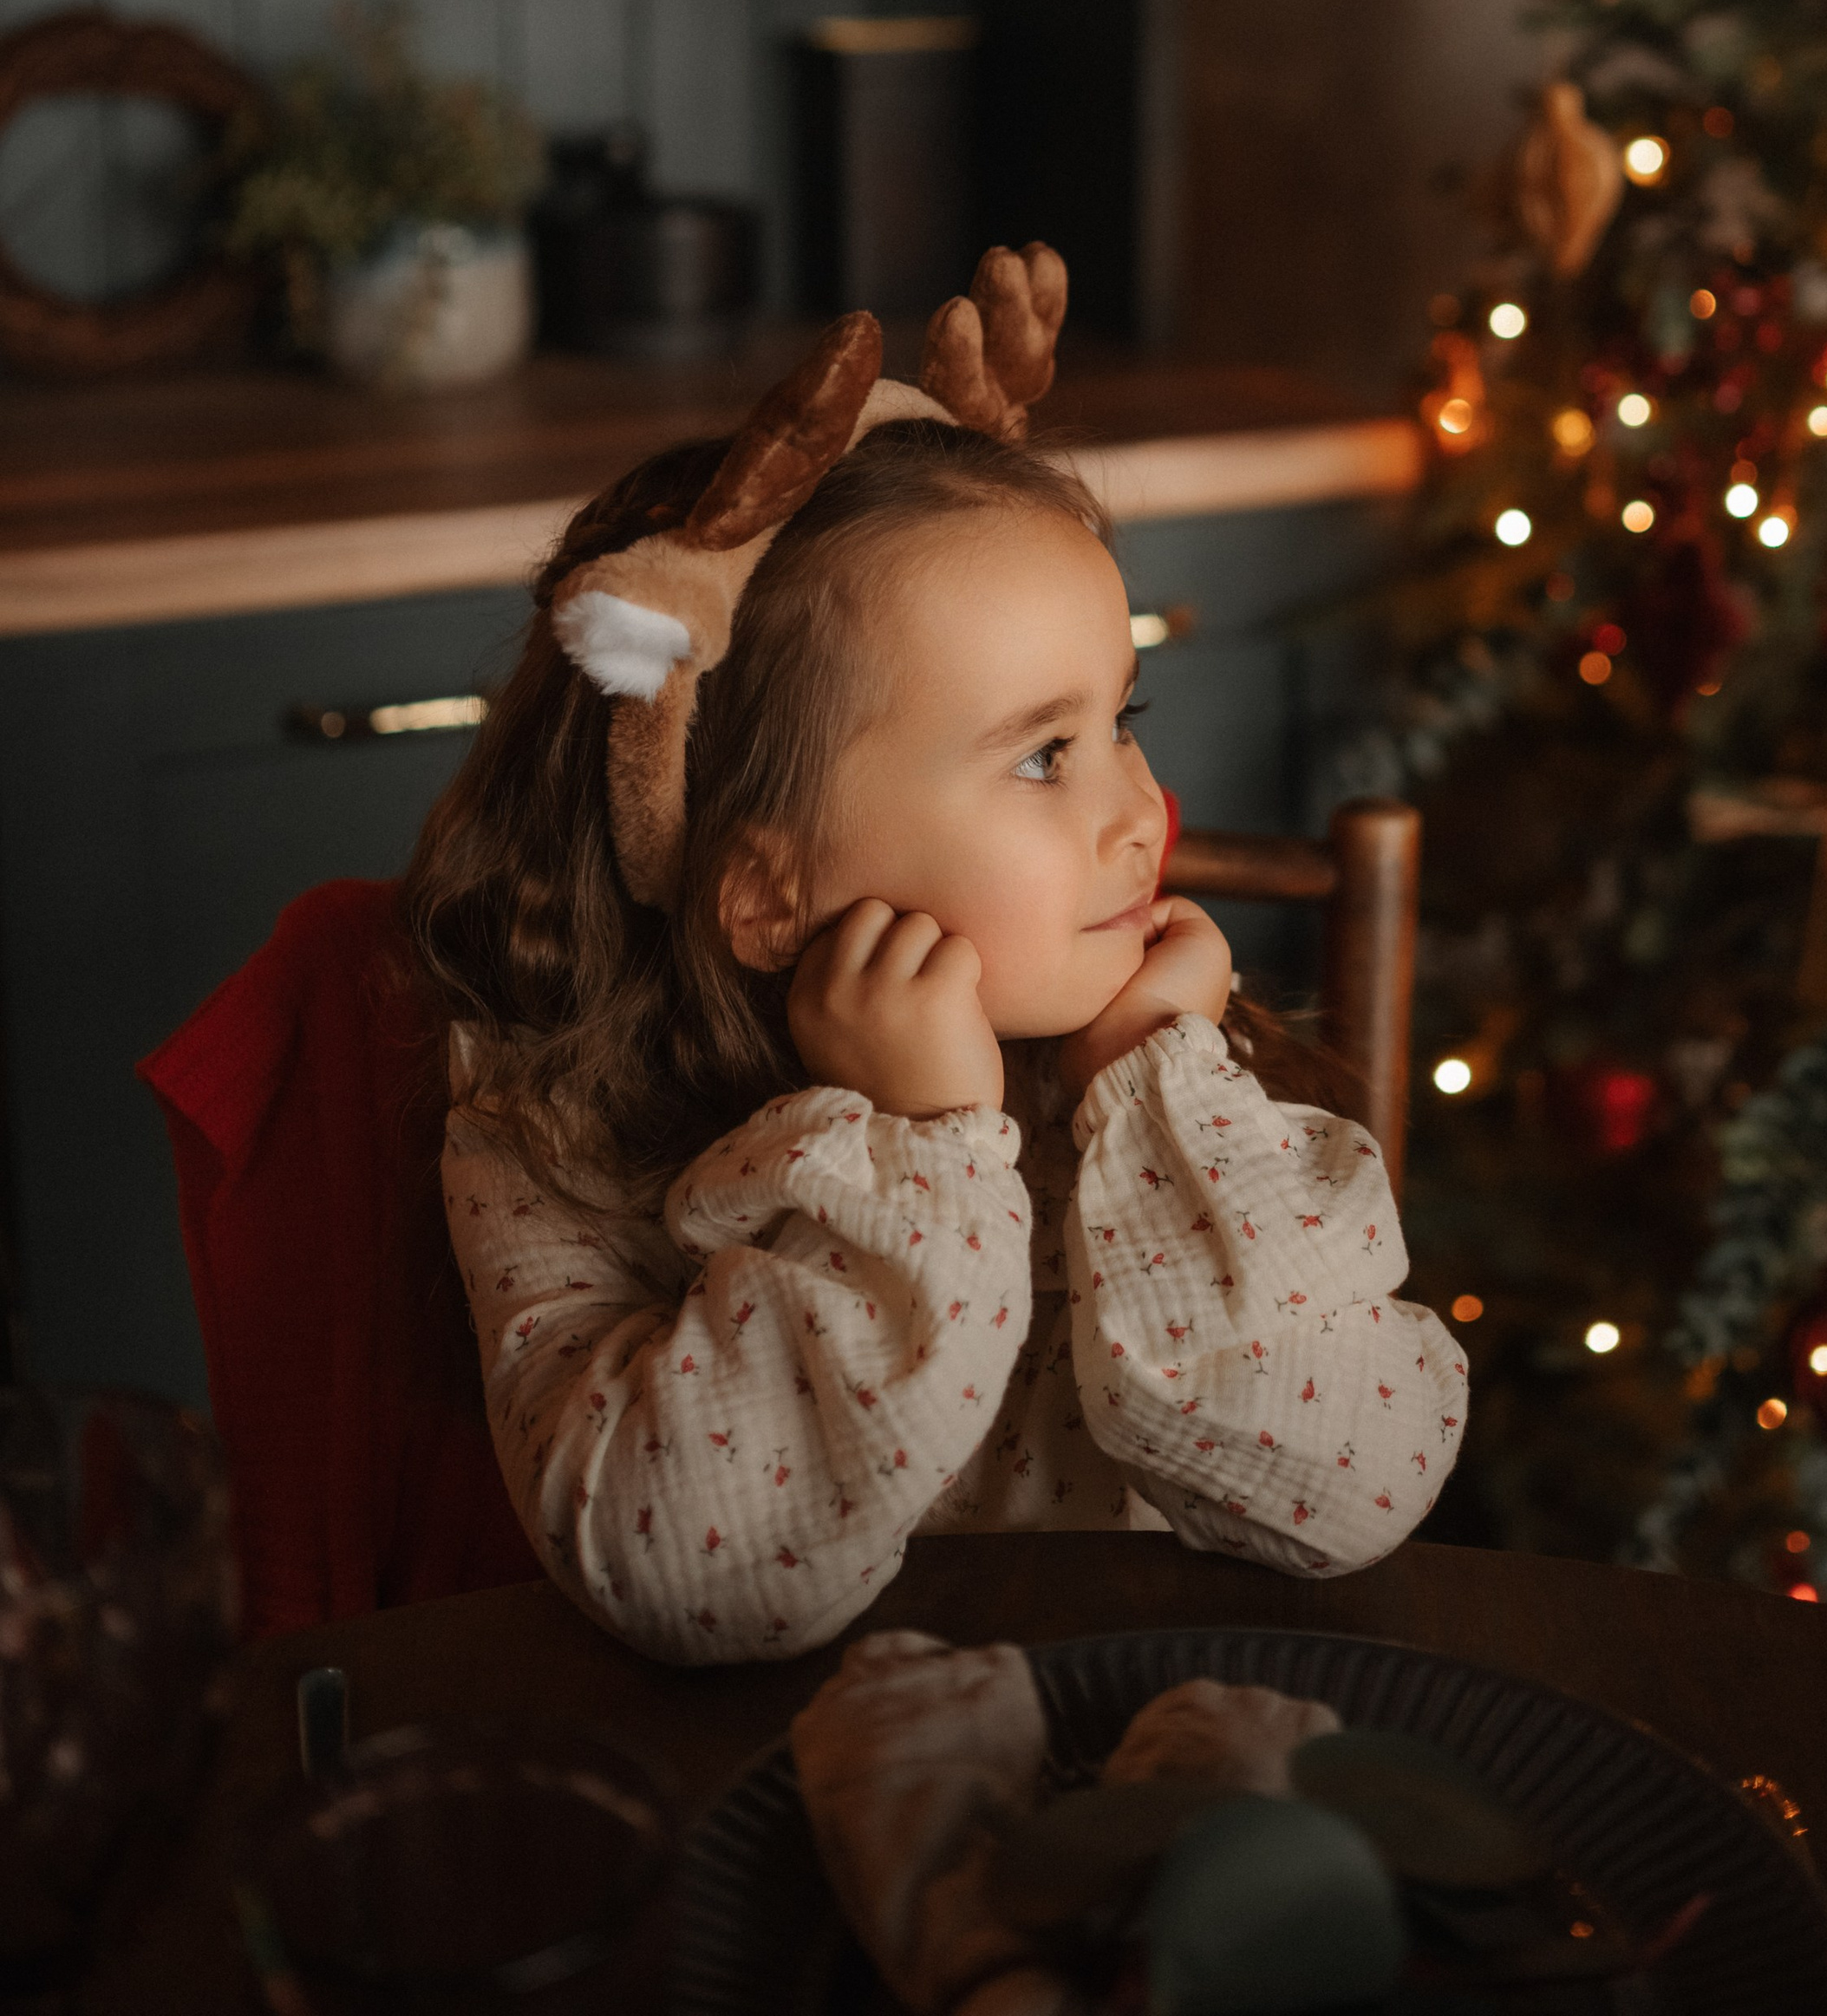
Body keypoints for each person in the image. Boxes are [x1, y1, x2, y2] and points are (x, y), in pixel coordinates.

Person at [407, 245, 1465, 1664]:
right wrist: (921, 1155)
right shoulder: (554, 1146)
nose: (1141, 813)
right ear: (768, 891)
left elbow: (1356, 1487)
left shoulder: (1164, 1069)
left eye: (1120, 719)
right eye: (1043, 756)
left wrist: (1151, 1090)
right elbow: (678, 1571)